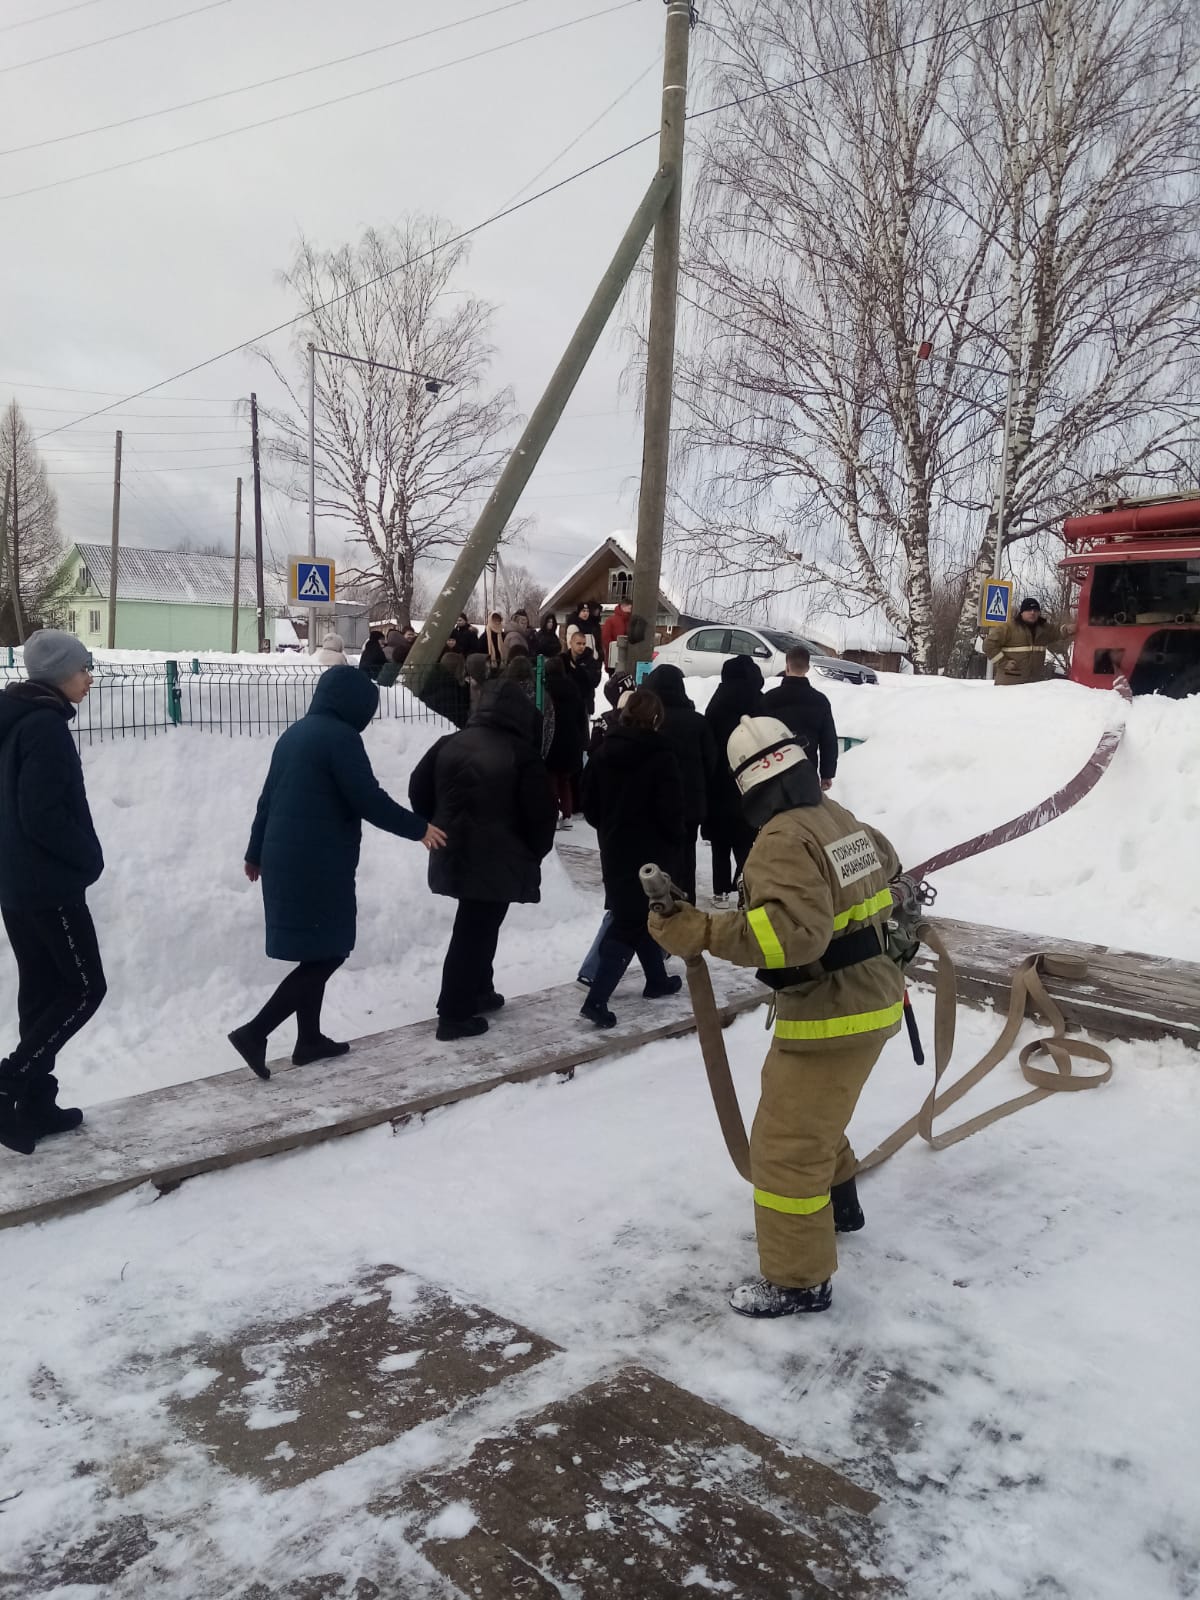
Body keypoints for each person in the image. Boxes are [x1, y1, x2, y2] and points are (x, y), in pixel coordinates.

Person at [650, 714, 903, 1319]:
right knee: (813, 1120)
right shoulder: (841, 820)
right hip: (869, 998)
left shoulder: (782, 840)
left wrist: (705, 930)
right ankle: (839, 1207)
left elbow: (794, 935)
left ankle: (798, 1280)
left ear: (748, 788)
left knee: (786, 1147)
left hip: (831, 1014)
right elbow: (888, 866)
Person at [231, 668, 444, 1078]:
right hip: (317, 861)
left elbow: (266, 799)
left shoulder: (294, 734)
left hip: (287, 858)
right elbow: (367, 798)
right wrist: (419, 829)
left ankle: (308, 1040)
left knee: (318, 948)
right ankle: (255, 1033)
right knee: (330, 951)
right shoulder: (341, 738)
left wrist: (255, 852)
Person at [0, 631, 105, 1156]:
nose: (89, 677)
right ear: (59, 674)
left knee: (41, 991)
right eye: (83, 668)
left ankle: (35, 1103)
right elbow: (40, 812)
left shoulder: (17, 717)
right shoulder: (44, 726)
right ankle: (9, 1080)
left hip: (17, 883)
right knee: (86, 988)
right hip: (49, 884)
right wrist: (87, 858)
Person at [410, 679, 557, 1042]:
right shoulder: (521, 754)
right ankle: (454, 1013)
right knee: (474, 929)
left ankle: (479, 989)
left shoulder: (449, 743)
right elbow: (541, 815)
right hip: (498, 856)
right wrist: (531, 851)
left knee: (480, 922)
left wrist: (437, 823)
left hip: (453, 848)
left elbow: (418, 786)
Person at [579, 689, 685, 1028]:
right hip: (651, 852)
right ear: (656, 719)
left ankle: (657, 980)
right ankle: (596, 1001)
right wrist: (674, 839)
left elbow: (590, 804)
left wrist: (611, 827)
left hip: (615, 846)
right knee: (629, 922)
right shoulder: (661, 756)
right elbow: (670, 811)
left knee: (637, 915)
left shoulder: (602, 752)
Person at [643, 663, 717, 902]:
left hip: (656, 802)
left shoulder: (650, 721)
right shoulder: (697, 722)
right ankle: (687, 902)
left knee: (657, 853)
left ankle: (657, 901)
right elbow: (711, 761)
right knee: (687, 855)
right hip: (691, 802)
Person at [703, 655, 764, 901]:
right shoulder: (760, 702)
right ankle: (744, 889)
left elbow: (708, 742)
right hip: (750, 779)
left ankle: (719, 892)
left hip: (719, 779)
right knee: (745, 842)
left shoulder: (716, 702)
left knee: (720, 842)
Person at [760, 645, 839, 787]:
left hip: (775, 771)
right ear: (808, 669)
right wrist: (827, 774)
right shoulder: (820, 700)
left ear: (787, 667)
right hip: (807, 769)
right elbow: (829, 741)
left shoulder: (769, 699)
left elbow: (759, 736)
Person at [982, 598, 1076, 686]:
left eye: (1035, 610)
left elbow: (1056, 632)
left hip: (1034, 684)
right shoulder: (1008, 628)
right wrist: (1003, 662)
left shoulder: (1044, 628)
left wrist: (1067, 630)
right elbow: (988, 645)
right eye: (1029, 610)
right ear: (1022, 613)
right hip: (1010, 683)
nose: (1032, 613)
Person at [543, 654, 587, 829]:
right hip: (571, 739)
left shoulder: (545, 689)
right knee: (565, 780)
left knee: (551, 779)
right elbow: (581, 717)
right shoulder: (573, 688)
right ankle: (567, 816)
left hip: (552, 738)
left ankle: (553, 815)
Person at [503, 653, 555, 761]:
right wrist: (542, 755)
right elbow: (549, 727)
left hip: (507, 755)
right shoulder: (540, 695)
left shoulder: (503, 693)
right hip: (532, 753)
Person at [419, 650, 471, 729]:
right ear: (457, 669)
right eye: (463, 668)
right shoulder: (452, 693)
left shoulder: (432, 681)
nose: (465, 671)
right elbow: (462, 721)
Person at [564, 628, 602, 718]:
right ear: (571, 643)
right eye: (578, 643)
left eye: (584, 644)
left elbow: (595, 681)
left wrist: (578, 671)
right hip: (567, 704)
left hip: (585, 703)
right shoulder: (564, 659)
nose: (581, 646)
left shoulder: (591, 661)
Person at [601, 599, 633, 671]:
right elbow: (606, 638)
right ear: (623, 606)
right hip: (614, 659)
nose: (631, 610)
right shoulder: (611, 621)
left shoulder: (631, 621)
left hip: (628, 659)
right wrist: (614, 650)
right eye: (630, 608)